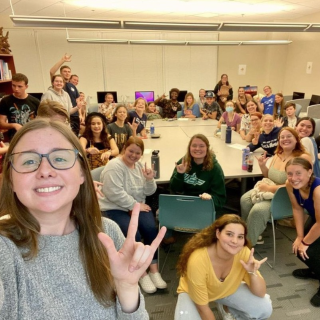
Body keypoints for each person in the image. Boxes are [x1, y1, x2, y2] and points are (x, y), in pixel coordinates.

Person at [0, 118, 165, 319]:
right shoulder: (5, 251)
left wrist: (127, 288)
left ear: (82, 174)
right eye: (28, 161)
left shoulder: (107, 234)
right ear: (10, 180)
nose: (45, 171)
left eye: (60, 159)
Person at [99, 137, 167, 294]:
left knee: (151, 229)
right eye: (131, 151)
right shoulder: (114, 166)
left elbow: (148, 192)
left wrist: (149, 179)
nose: (134, 155)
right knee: (133, 235)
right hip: (114, 207)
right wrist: (134, 205)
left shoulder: (138, 168)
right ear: (124, 148)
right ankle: (140, 273)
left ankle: (153, 269)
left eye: (138, 153)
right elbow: (113, 193)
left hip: (135, 205)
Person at [175, 214, 272, 320]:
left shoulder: (243, 252)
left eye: (240, 237)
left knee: (264, 308)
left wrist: (252, 273)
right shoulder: (198, 260)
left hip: (226, 289)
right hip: (192, 293)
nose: (235, 241)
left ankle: (227, 308)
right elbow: (203, 309)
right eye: (229, 234)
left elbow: (261, 293)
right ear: (218, 233)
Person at [241, 127, 311, 245]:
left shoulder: (303, 157)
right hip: (272, 191)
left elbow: (299, 185)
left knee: (258, 211)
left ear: (296, 139)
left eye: (289, 136)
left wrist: (269, 189)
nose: (285, 139)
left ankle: (247, 245)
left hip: (288, 197)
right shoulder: (278, 154)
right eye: (282, 137)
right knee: (245, 200)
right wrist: (263, 166)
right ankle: (251, 233)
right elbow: (270, 176)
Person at [285, 157, 320, 307]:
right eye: (290, 174)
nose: (294, 178)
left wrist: (305, 242)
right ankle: (315, 271)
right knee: (300, 250)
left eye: (298, 173)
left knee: (310, 251)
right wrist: (300, 237)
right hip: (317, 219)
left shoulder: (318, 190)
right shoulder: (290, 185)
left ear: (309, 172)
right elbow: (297, 208)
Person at [170, 134, 226, 216]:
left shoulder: (215, 169)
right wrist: (180, 175)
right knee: (162, 216)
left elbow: (220, 199)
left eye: (201, 146)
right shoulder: (183, 162)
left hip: (203, 205)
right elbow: (173, 189)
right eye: (194, 146)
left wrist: (211, 198)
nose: (197, 149)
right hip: (183, 203)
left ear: (207, 148)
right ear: (189, 148)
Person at [0, 73, 39, 141]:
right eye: (13, 86)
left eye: (19, 86)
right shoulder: (5, 101)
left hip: (33, 136)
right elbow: (1, 123)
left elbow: (42, 121)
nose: (16, 89)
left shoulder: (35, 101)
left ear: (26, 87)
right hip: (15, 137)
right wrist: (14, 125)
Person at [49, 54, 81, 135]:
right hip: (62, 116)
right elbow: (52, 72)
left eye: (69, 72)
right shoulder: (58, 84)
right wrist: (62, 60)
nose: (67, 73)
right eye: (65, 71)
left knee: (74, 137)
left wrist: (80, 114)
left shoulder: (72, 86)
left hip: (74, 115)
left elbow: (78, 101)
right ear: (60, 73)